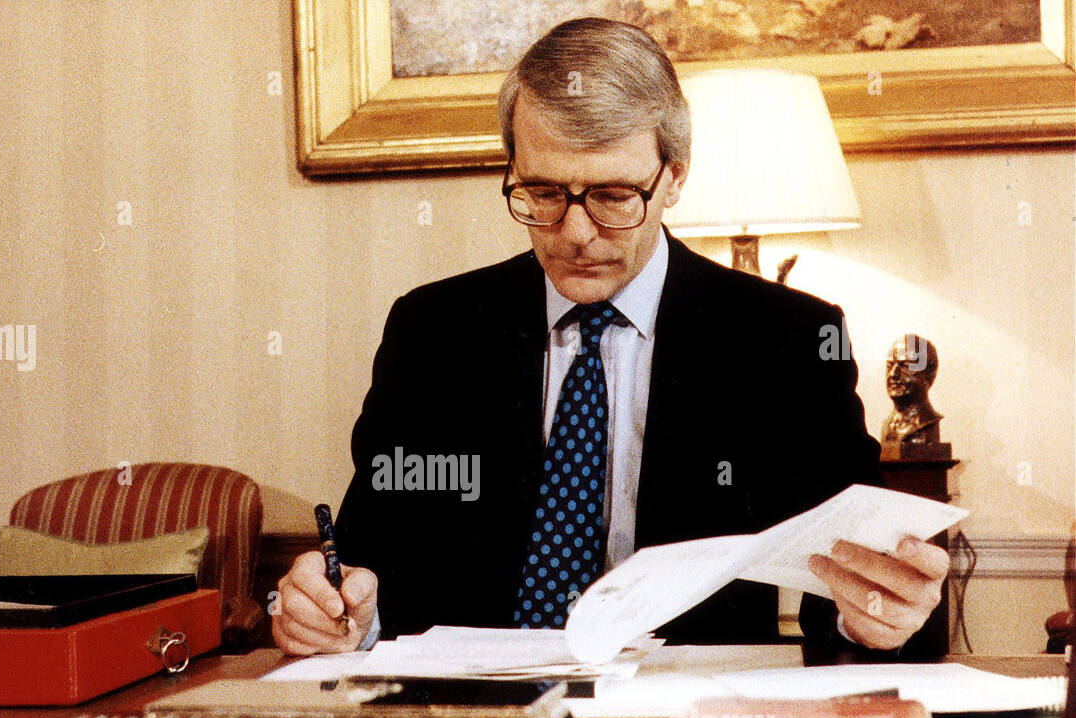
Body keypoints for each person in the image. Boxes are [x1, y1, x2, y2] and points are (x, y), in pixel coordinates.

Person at [273, 17, 948, 657]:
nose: (574, 232)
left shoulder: (786, 340)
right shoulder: (435, 330)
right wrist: (336, 614)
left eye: (614, 196)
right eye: (541, 193)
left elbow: (854, 583)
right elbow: (366, 565)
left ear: (674, 176)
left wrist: (880, 617)